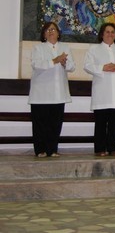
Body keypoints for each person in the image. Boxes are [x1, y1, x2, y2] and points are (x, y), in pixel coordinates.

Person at [84, 23, 115, 157]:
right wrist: (103, 67)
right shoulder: (94, 49)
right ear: (102, 34)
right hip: (101, 90)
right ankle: (100, 148)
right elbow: (88, 65)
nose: (110, 34)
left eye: (112, 32)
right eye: (107, 32)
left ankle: (113, 148)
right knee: (100, 122)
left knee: (114, 123)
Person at [28, 22, 75, 158]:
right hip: (41, 93)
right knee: (40, 124)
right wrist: (54, 60)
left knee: (55, 123)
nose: (50, 32)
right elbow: (36, 64)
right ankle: (40, 150)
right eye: (47, 30)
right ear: (44, 34)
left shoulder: (65, 47)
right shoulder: (38, 48)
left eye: (53, 29)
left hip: (58, 92)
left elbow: (72, 67)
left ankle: (52, 149)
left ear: (58, 33)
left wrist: (65, 62)